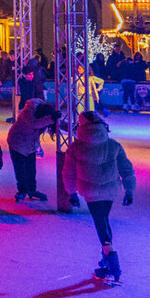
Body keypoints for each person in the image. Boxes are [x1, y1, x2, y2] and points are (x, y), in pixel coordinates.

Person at [62, 110, 136, 285]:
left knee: (100, 223)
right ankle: (106, 259)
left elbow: (68, 172)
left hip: (91, 191)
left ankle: (112, 263)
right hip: (110, 190)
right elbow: (126, 168)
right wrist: (129, 190)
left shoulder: (76, 147)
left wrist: (71, 192)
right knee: (103, 220)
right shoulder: (113, 145)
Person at [7, 101, 57, 203]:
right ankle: (22, 190)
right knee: (20, 168)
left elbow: (58, 124)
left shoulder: (43, 115)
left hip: (30, 144)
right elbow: (35, 124)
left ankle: (32, 190)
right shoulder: (28, 112)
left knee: (31, 169)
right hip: (17, 142)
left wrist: (73, 126)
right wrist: (51, 118)